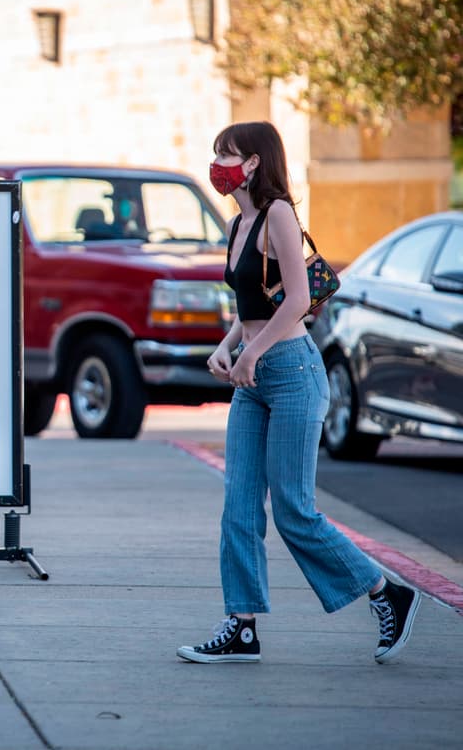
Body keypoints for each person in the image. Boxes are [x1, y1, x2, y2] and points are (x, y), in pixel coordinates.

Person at [176, 121, 421, 665]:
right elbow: (255, 305)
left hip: (290, 371)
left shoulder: (278, 214)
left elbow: (296, 303)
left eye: (227, 153)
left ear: (255, 162)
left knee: (293, 509)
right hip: (255, 372)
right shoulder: (238, 222)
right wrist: (228, 346)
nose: (217, 162)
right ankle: (241, 626)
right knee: (239, 504)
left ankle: (388, 594)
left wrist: (253, 353)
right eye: (216, 151)